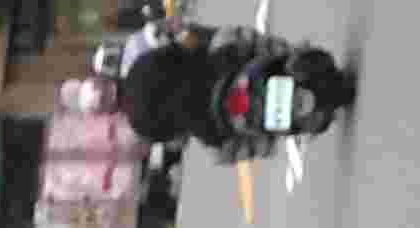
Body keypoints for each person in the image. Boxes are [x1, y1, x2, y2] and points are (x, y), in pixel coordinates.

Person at [109, 24, 350, 157]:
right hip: (219, 71)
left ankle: (292, 126)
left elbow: (176, 139)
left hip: (214, 126)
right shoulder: (141, 66)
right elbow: (182, 51)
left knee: (230, 152)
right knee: (236, 38)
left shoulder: (138, 123)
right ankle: (292, 52)